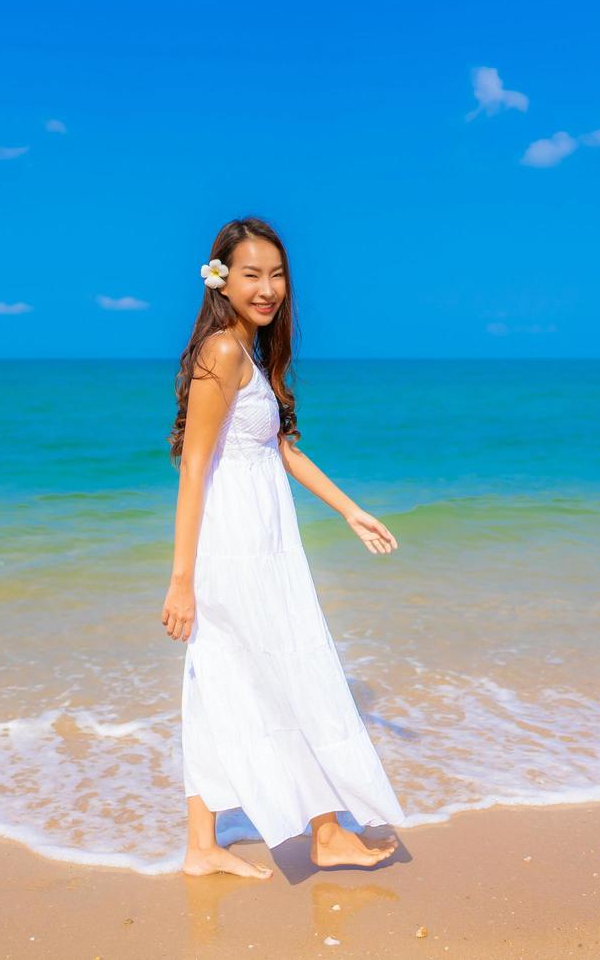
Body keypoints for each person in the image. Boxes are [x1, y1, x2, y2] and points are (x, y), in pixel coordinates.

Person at [163, 217, 406, 879]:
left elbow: (282, 451)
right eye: (251, 274)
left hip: (266, 543)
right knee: (288, 672)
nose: (267, 288)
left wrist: (351, 510)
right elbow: (193, 466)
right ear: (221, 278)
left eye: (277, 274)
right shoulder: (222, 351)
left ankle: (201, 847)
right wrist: (181, 579)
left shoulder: (252, 351)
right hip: (236, 550)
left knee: (221, 686)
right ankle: (325, 833)